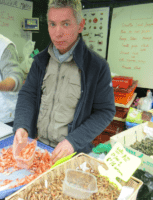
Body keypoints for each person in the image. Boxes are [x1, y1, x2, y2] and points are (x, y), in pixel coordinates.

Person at [13, 0, 115, 163]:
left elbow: (105, 111)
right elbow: (28, 95)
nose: (57, 33)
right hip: (37, 149)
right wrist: (22, 126)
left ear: (80, 25)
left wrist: (73, 142)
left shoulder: (97, 67)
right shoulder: (40, 61)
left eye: (65, 24)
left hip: (70, 154)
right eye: (52, 24)